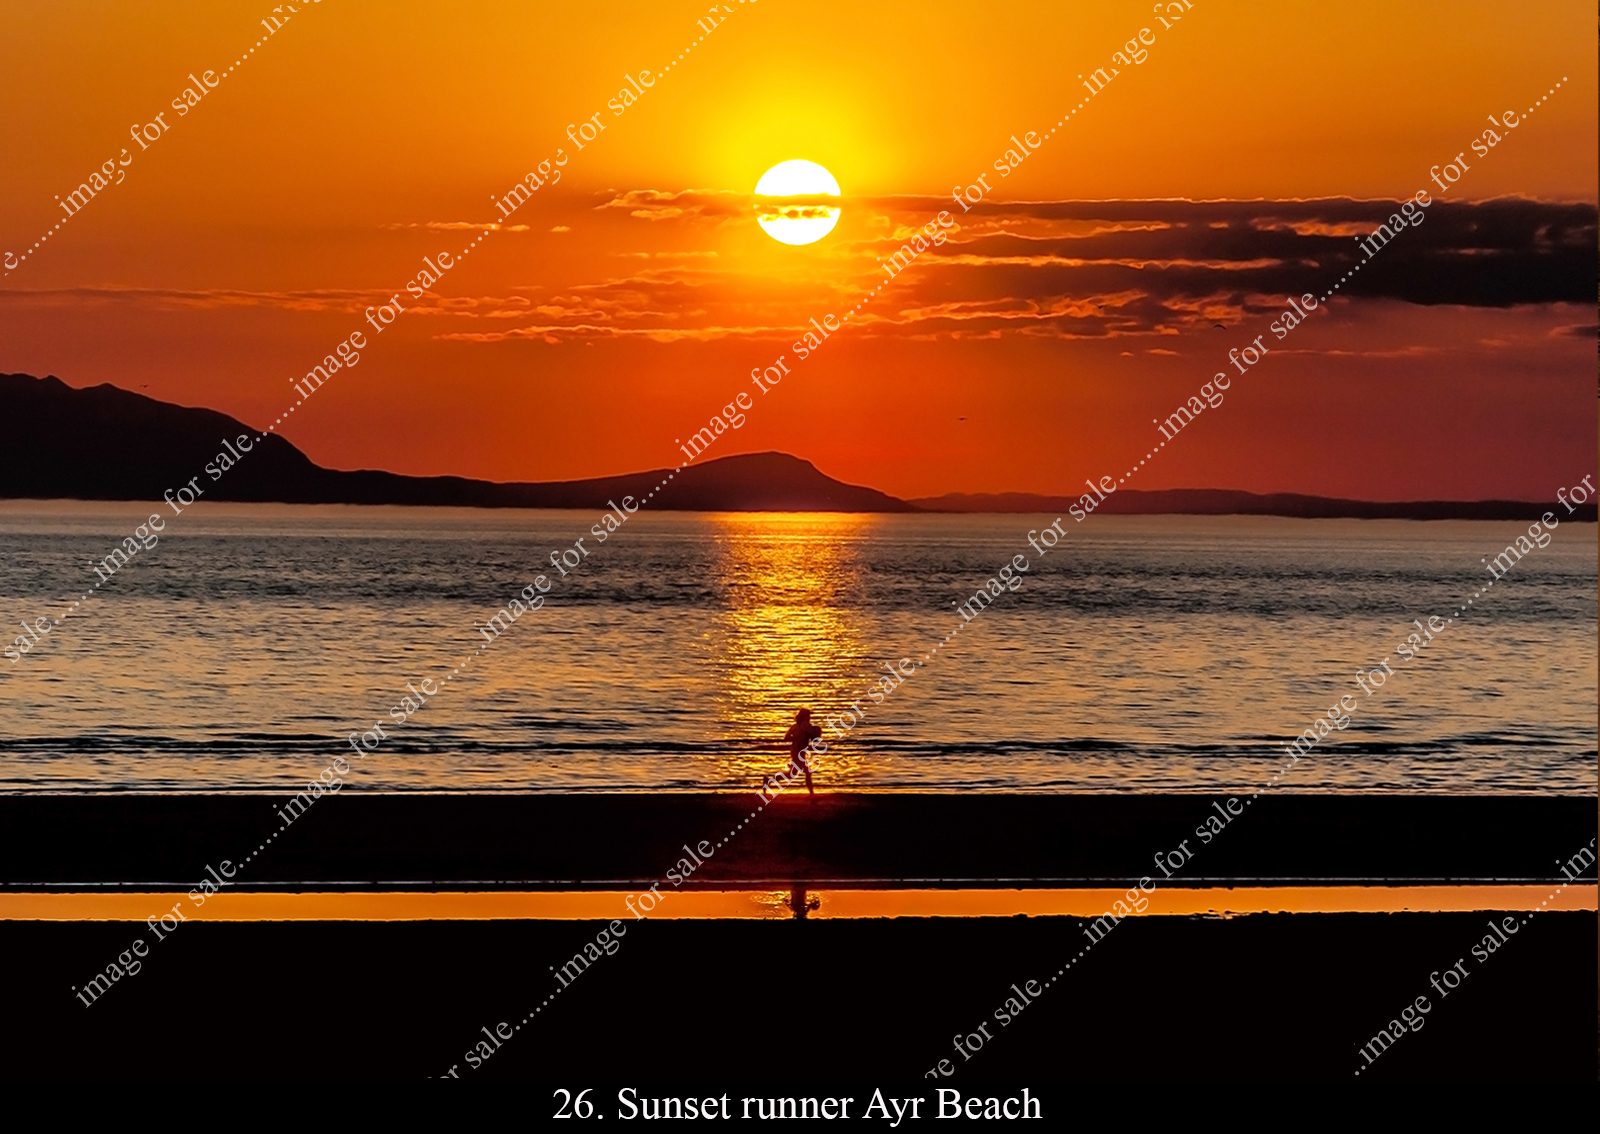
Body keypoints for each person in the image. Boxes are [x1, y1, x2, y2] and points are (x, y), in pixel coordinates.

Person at [782, 708, 823, 795]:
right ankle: (812, 794)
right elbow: (814, 737)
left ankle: (769, 780)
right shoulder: (806, 725)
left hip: (795, 751)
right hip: (799, 753)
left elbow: (786, 738)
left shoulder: (794, 726)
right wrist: (818, 731)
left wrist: (796, 738)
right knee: (807, 773)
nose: (810, 717)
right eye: (808, 715)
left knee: (792, 774)